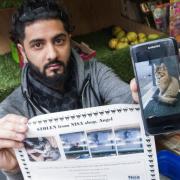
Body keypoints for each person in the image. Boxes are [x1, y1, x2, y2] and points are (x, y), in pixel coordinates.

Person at [0, 0, 134, 179]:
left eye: (59, 40)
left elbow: (127, 101)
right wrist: (13, 170)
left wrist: (138, 101)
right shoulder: (9, 113)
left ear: (69, 40)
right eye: (38, 45)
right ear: (22, 51)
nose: (52, 54)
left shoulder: (96, 74)